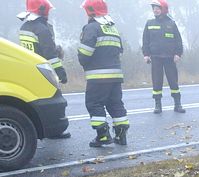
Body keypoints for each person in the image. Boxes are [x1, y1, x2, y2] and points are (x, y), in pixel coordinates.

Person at [78, 0, 129, 147]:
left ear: (90, 11)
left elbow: (85, 53)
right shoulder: (112, 28)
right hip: (115, 75)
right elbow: (120, 50)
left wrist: (83, 61)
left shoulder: (91, 28)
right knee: (115, 104)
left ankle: (103, 136)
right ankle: (121, 136)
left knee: (94, 104)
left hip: (98, 77)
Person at [18, 0, 71, 138]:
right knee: (53, 101)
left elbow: (34, 48)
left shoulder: (24, 27)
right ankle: (54, 131)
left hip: (29, 70)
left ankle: (42, 129)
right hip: (43, 70)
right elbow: (49, 55)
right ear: (42, 10)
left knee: (39, 101)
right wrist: (61, 72)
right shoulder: (42, 29)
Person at [142, 0, 185, 114]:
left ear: (163, 9)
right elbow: (145, 40)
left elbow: (178, 40)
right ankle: (158, 105)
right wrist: (146, 55)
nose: (155, 10)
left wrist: (178, 54)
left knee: (173, 81)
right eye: (154, 8)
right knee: (157, 82)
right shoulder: (149, 23)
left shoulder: (171, 23)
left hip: (170, 58)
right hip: (155, 57)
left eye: (157, 8)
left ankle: (177, 104)